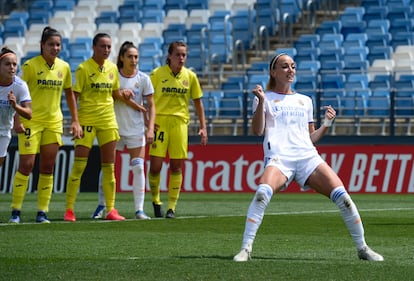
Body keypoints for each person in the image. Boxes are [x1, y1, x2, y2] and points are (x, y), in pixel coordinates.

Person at [233, 53, 384, 262]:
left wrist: (327, 124)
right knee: (262, 193)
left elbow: (310, 138)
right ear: (273, 72)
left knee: (344, 198)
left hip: (307, 157)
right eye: (285, 66)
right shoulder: (264, 97)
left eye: (292, 66)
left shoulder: (305, 100)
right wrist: (259, 101)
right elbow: (258, 130)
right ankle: (245, 249)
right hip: (279, 158)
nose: (290, 70)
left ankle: (363, 248)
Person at [9, 27, 81, 224]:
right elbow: (16, 90)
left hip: (54, 122)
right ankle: (15, 211)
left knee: (48, 167)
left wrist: (75, 120)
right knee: (26, 165)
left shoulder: (64, 67)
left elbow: (69, 94)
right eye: (51, 44)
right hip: (30, 121)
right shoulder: (30, 66)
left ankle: (42, 211)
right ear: (42, 45)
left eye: (58, 44)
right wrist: (17, 120)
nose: (55, 48)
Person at [63, 33, 127, 222]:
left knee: (109, 167)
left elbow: (114, 93)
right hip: (87, 121)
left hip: (108, 120)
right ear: (94, 47)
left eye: (108, 47)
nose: (106, 50)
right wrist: (75, 121)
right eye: (102, 46)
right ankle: (69, 210)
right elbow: (74, 96)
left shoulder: (113, 68)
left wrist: (125, 94)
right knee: (79, 166)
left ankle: (111, 210)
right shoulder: (83, 68)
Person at [91, 41, 155, 220]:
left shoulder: (143, 78)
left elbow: (151, 105)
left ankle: (139, 209)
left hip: (135, 130)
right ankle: (102, 205)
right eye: (130, 56)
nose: (134, 60)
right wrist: (122, 94)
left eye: (136, 57)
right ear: (121, 58)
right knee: (107, 168)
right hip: (113, 127)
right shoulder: (113, 76)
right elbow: (110, 93)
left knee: (138, 167)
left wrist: (150, 129)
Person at [148, 41, 208, 218]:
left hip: (180, 124)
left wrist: (203, 127)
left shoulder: (190, 76)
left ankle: (171, 207)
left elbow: (198, 103)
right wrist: (148, 122)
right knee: (156, 167)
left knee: (176, 166)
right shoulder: (157, 74)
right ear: (169, 56)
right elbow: (147, 100)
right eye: (178, 55)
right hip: (160, 122)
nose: (181, 58)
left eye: (184, 55)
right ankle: (156, 201)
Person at [0, 47, 32, 167]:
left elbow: (29, 113)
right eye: (7, 64)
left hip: (4, 131)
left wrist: (15, 106)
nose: (12, 67)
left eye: (14, 64)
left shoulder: (20, 86)